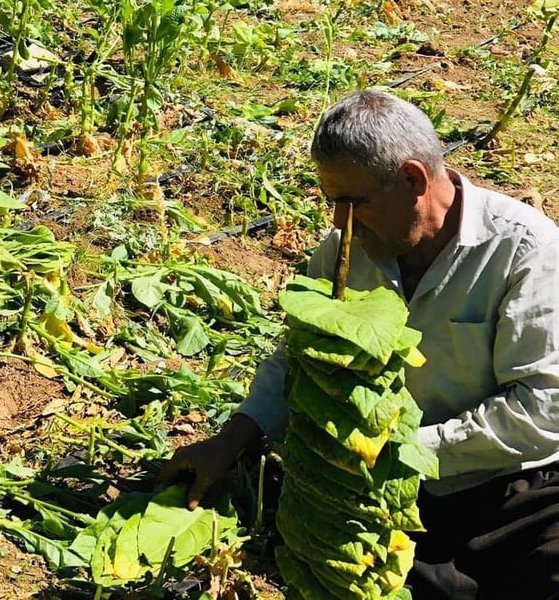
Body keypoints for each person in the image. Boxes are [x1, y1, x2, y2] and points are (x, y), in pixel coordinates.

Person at [162, 89, 559, 598]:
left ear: (413, 179)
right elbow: (301, 357)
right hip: (384, 489)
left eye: (352, 202)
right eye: (332, 202)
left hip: (505, 481)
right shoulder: (349, 249)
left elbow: (543, 410)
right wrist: (233, 439)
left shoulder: (524, 250)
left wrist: (404, 451)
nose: (337, 222)